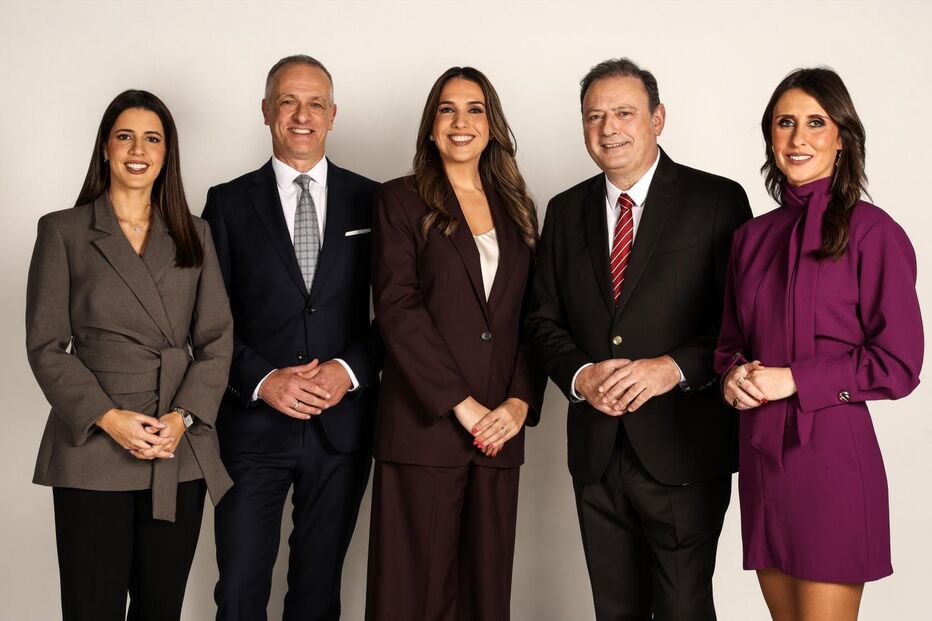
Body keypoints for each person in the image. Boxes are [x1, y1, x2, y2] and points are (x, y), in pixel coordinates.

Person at [526, 58, 752, 620]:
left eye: (624, 113)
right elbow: (541, 320)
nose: (609, 129)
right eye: (594, 116)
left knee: (682, 608)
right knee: (615, 609)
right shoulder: (564, 210)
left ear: (658, 118)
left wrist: (671, 368)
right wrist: (581, 377)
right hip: (597, 453)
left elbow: (740, 320)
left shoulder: (716, 200)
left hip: (683, 446)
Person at [716, 67, 923, 621]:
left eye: (815, 122)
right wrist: (733, 376)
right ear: (770, 136)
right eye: (785, 123)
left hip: (831, 457)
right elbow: (729, 342)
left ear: (842, 138)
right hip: (762, 460)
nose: (798, 137)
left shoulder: (873, 232)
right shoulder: (750, 238)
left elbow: (899, 363)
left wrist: (795, 379)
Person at [25, 89, 233, 621]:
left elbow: (215, 340)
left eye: (152, 139)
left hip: (174, 444)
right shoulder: (63, 231)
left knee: (160, 608)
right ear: (105, 147)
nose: (138, 150)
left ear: (167, 153)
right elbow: (46, 345)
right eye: (125, 136)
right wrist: (107, 416)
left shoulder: (195, 234)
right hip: (93, 447)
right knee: (91, 608)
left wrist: (182, 418)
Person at [203, 54, 382, 621]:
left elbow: (400, 313)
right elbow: (207, 320)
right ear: (266, 110)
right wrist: (263, 380)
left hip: (340, 427)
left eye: (315, 104)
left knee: (317, 593)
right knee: (239, 590)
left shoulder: (374, 200)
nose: (302, 116)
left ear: (332, 115)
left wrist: (348, 371)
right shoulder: (227, 203)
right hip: (252, 427)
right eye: (288, 102)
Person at [366, 66, 544, 621]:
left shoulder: (518, 208)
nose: (460, 121)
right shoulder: (399, 200)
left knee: (484, 598)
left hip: (499, 434)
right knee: (411, 599)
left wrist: (519, 402)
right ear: (431, 124)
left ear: (492, 125)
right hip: (425, 429)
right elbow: (398, 309)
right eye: (447, 109)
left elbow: (534, 316)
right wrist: (462, 406)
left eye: (474, 109)